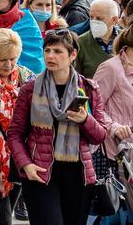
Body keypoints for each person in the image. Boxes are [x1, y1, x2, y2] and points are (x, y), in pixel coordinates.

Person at [9, 28, 110, 225]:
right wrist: (26, 164)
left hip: (78, 176)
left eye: (57, 51)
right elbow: (14, 133)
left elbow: (100, 136)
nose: (50, 56)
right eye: (47, 50)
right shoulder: (30, 89)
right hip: (40, 173)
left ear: (72, 55)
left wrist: (84, 120)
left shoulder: (88, 88)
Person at [0, 28, 36, 225]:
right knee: (1, 218)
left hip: (18, 158)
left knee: (3, 214)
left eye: (13, 58)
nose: (8, 64)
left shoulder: (27, 77)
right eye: (2, 59)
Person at [90, 29, 133, 221]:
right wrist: (114, 126)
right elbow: (93, 106)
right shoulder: (111, 68)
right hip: (114, 154)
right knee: (115, 212)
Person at [75, 0, 120, 78]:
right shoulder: (80, 42)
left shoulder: (126, 39)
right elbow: (76, 79)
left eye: (99, 18)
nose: (94, 22)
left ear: (114, 20)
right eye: (91, 17)